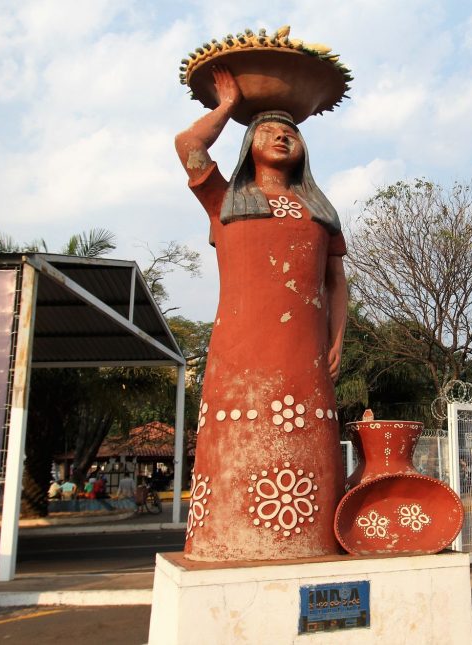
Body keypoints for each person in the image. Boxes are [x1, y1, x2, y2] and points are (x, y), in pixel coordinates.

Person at [174, 66, 348, 561]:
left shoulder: (321, 211)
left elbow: (336, 282)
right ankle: (227, 541)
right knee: (235, 437)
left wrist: (337, 340)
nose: (281, 137)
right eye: (269, 130)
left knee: (309, 436)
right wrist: (226, 106)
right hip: (238, 356)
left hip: (306, 357)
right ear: (248, 141)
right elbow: (188, 144)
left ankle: (310, 543)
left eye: (290, 131)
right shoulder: (226, 200)